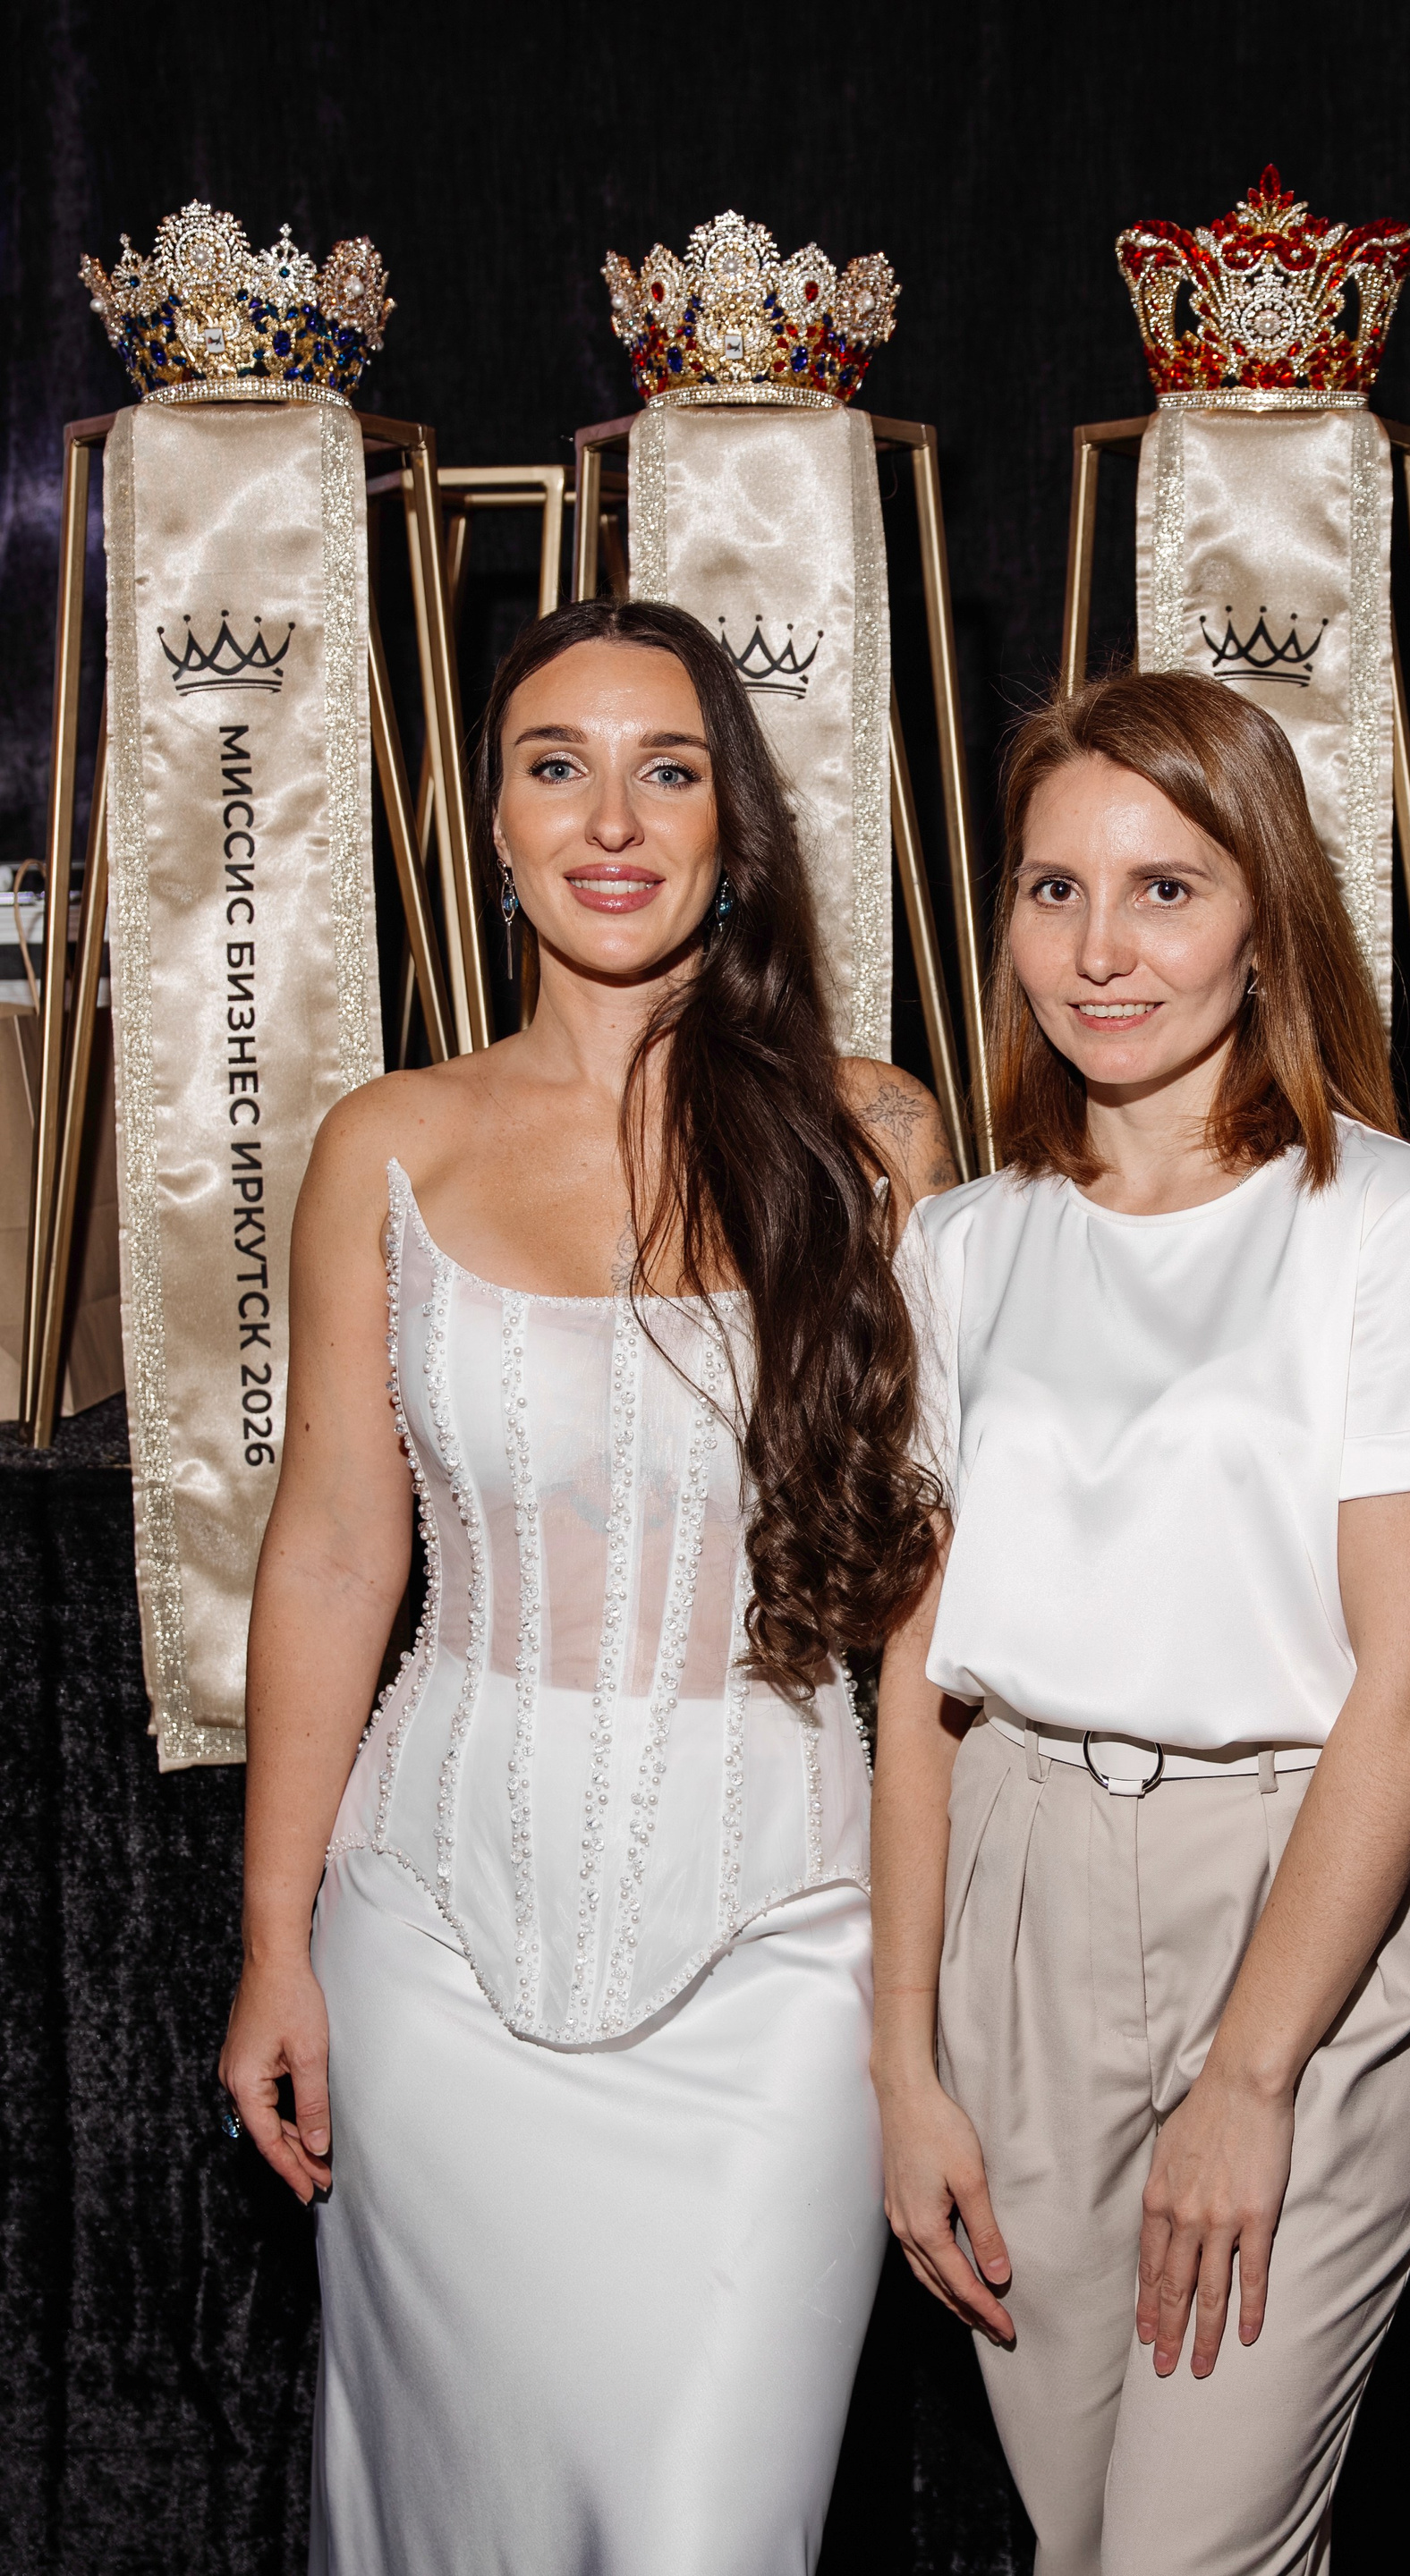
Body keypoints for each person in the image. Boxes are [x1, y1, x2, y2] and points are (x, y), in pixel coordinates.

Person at [218, 597, 955, 2576]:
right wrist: (276, 1939)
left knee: (711, 2530)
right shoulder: (389, 1141)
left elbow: (928, 1622)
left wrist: (909, 2034)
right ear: (492, 821)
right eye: (558, 766)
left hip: (779, 1961)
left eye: (668, 770)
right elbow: (335, 1550)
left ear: (736, 825)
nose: (611, 820)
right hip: (428, 1950)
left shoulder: (876, 1137)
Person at [872, 669, 1410, 2576]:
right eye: (1055, 889)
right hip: (1017, 1901)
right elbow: (914, 1678)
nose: (1102, 948)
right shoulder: (962, 1246)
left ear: (1263, 919)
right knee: (1082, 2545)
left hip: (1298, 1898)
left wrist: (1253, 2074)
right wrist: (902, 2065)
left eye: (1166, 888)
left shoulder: (1378, 1219)